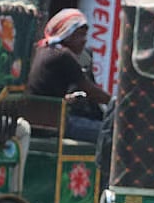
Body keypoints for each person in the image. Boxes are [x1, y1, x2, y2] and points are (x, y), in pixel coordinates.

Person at [27, 9, 111, 143]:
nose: (84, 41)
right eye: (79, 35)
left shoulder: (40, 49)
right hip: (55, 124)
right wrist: (115, 102)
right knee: (111, 133)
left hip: (35, 120)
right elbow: (90, 90)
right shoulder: (63, 55)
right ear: (66, 35)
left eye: (85, 35)